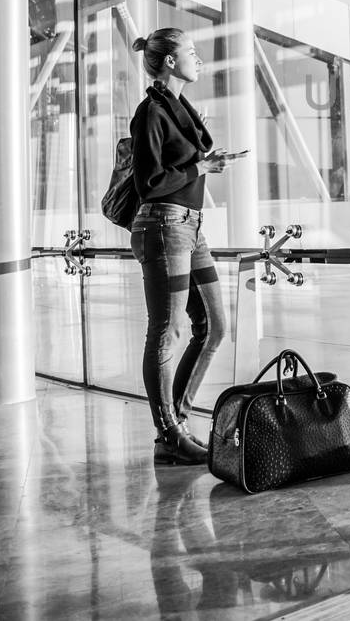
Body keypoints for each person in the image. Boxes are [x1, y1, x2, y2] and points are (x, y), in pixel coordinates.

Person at [130, 27, 232, 466]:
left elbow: (187, 163)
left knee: (214, 325)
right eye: (191, 52)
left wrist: (204, 163)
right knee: (166, 330)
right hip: (164, 225)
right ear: (170, 61)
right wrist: (201, 167)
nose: (199, 59)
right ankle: (168, 433)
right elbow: (149, 183)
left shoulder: (177, 109)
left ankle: (178, 423)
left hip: (191, 226)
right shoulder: (150, 113)